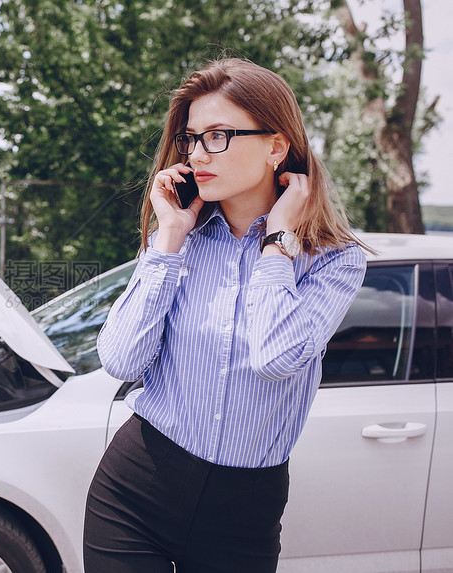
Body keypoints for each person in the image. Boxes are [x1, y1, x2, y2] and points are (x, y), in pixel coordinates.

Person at [83, 58, 369, 572]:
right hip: (136, 486)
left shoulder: (332, 261)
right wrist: (169, 236)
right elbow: (122, 360)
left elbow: (275, 358)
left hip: (243, 511)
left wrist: (277, 243)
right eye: (191, 138)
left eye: (218, 135)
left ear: (276, 146)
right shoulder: (178, 241)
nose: (197, 153)